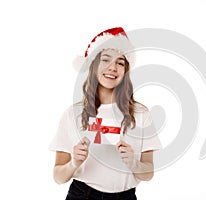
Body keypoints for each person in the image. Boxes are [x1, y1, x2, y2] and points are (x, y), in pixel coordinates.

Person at [49, 27, 162, 200]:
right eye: (106, 59)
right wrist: (74, 163)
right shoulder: (73, 114)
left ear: (125, 71)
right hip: (82, 194)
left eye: (120, 63)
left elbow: (148, 174)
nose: (113, 68)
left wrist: (133, 162)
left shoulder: (141, 114)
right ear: (94, 65)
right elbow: (58, 177)